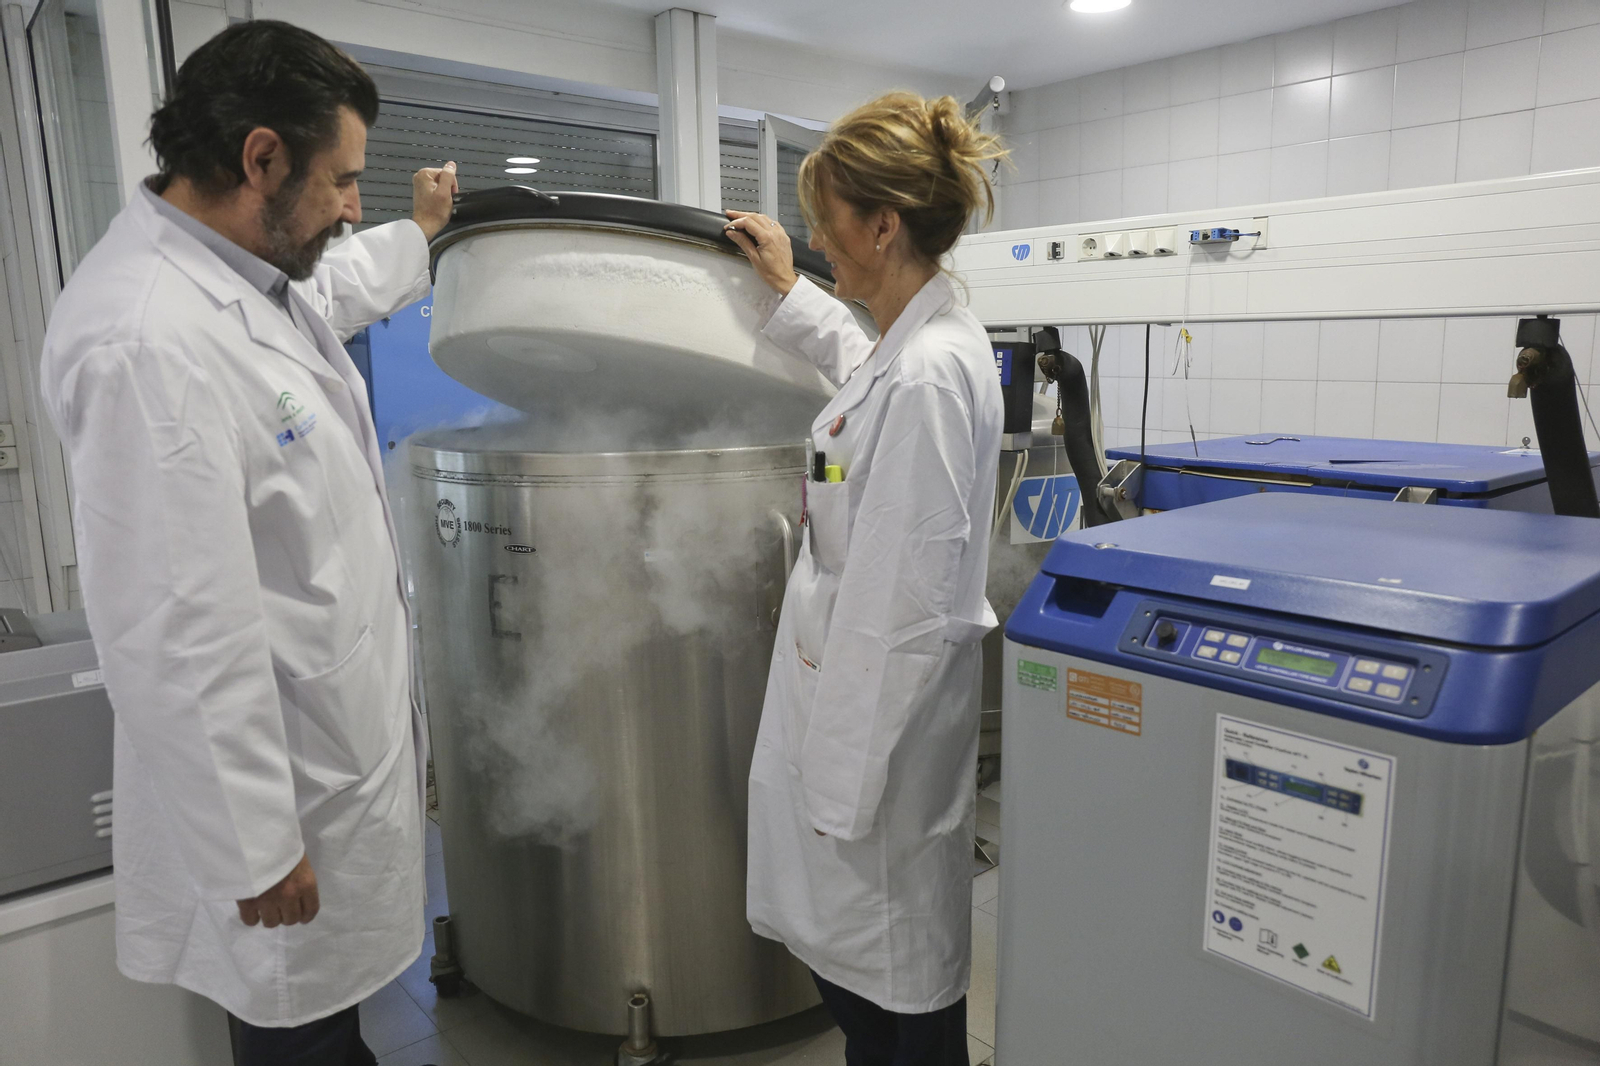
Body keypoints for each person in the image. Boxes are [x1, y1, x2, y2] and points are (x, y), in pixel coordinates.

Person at [39, 22, 459, 1066]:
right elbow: (178, 625)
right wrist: (254, 844)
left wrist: (420, 230)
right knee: (298, 1041)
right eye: (344, 180)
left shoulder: (245, 271)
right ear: (260, 157)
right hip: (277, 806)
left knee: (327, 1027)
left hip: (324, 760)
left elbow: (331, 286)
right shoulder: (147, 339)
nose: (353, 205)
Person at [725, 92, 1006, 1066]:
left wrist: (834, 788)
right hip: (848, 717)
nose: (815, 240)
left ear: (882, 226)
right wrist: (791, 291)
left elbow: (900, 609)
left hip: (870, 754)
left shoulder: (929, 371)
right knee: (864, 999)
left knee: (896, 1012)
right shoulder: (914, 349)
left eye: (826, 223)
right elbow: (866, 377)